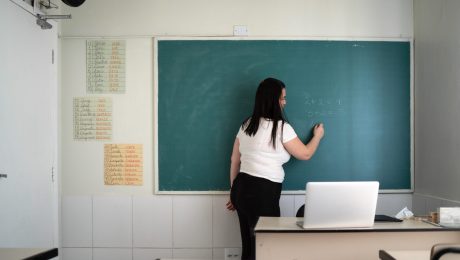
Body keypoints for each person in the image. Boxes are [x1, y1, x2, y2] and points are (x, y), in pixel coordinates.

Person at [226, 77, 324, 260]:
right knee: (266, 247)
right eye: (282, 98)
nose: (284, 102)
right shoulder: (281, 128)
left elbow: (234, 160)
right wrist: (317, 136)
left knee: (249, 246)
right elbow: (305, 154)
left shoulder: (246, 124)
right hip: (262, 192)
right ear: (273, 100)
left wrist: (233, 192)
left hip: (241, 188)